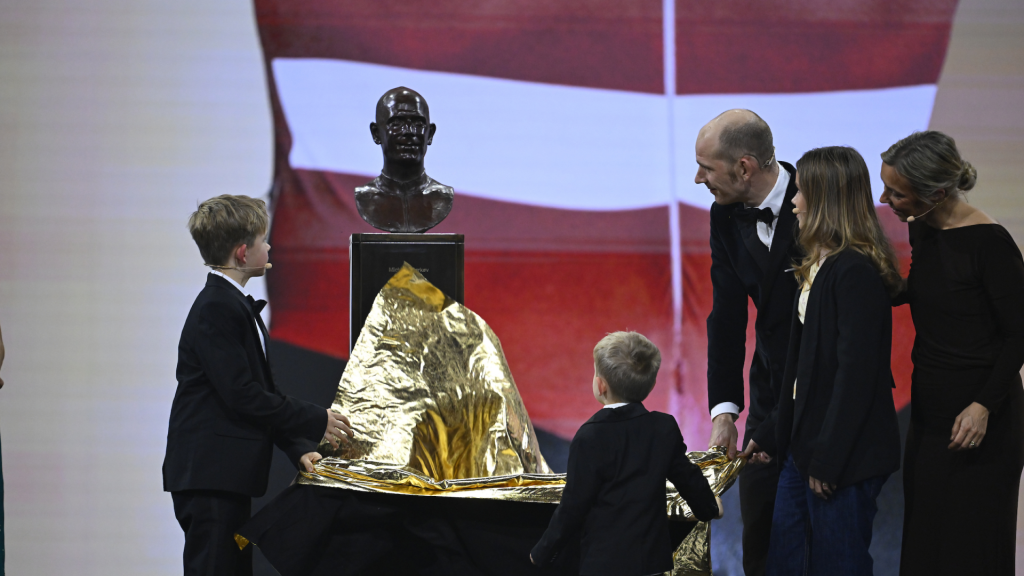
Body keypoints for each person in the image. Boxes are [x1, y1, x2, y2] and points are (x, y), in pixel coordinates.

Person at [162, 194, 355, 576]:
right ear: (242, 252)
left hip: (222, 477)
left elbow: (260, 395)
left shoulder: (229, 304)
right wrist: (317, 419)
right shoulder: (217, 307)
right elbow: (244, 397)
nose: (269, 247)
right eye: (263, 240)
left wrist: (298, 449)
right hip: (210, 478)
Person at [742, 146, 902, 575]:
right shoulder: (818, 264)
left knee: (838, 565)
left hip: (842, 457)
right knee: (785, 562)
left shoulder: (854, 271)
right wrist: (771, 433)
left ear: (826, 199)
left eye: (801, 192)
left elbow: (855, 377)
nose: (794, 202)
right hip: (805, 449)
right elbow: (802, 372)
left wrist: (830, 460)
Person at [879, 131, 1024, 576]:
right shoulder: (922, 226)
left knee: (971, 547)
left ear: (937, 194)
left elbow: (1018, 334)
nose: (885, 200)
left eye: (896, 193)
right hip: (930, 414)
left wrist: (982, 406)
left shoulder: (990, 243)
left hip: (984, 421)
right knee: (925, 541)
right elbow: (931, 292)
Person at [696, 109, 801, 576]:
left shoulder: (818, 201)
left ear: (744, 167)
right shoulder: (723, 214)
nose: (698, 179)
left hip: (821, 399)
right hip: (767, 395)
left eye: (706, 167)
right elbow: (726, 317)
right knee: (760, 543)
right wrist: (724, 413)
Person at [530, 331, 723, 576]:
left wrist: (542, 553)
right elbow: (688, 478)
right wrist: (710, 508)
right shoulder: (663, 428)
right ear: (651, 385)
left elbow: (572, 507)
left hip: (602, 564)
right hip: (650, 562)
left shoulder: (589, 436)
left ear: (600, 385)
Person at [355, 86, 454, 233]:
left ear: (430, 134)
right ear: (376, 133)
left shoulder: (443, 197)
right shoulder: (364, 198)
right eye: (396, 123)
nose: (409, 131)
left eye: (418, 124)